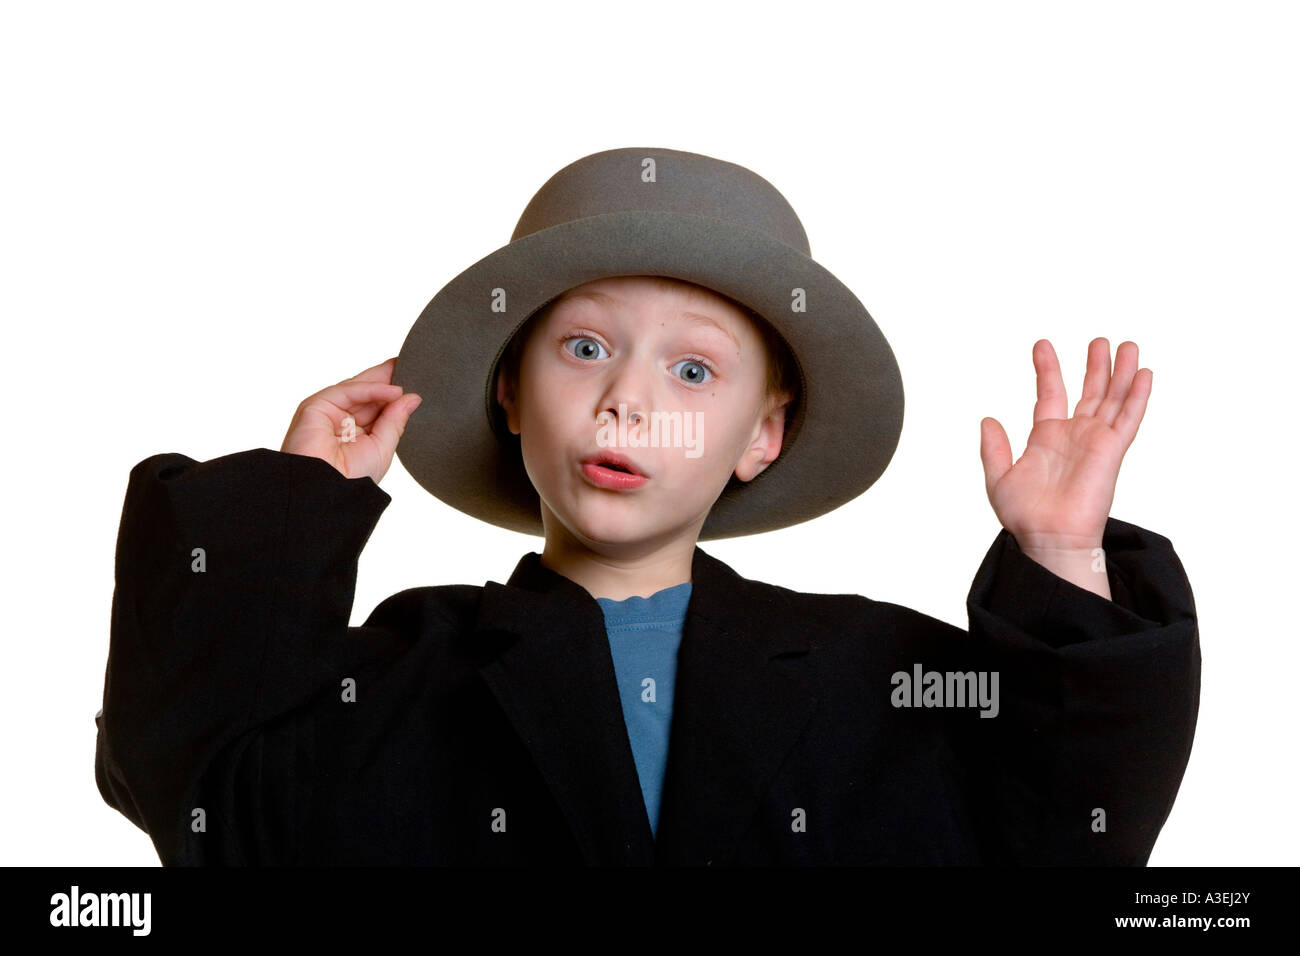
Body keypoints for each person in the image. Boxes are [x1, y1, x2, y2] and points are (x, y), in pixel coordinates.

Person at [94, 148, 1200, 865]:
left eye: (693, 370)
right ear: (510, 395)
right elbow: (192, 790)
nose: (627, 399)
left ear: (760, 436)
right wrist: (293, 507)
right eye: (583, 348)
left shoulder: (878, 672)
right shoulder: (395, 672)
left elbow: (1070, 835)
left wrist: (1060, 557)